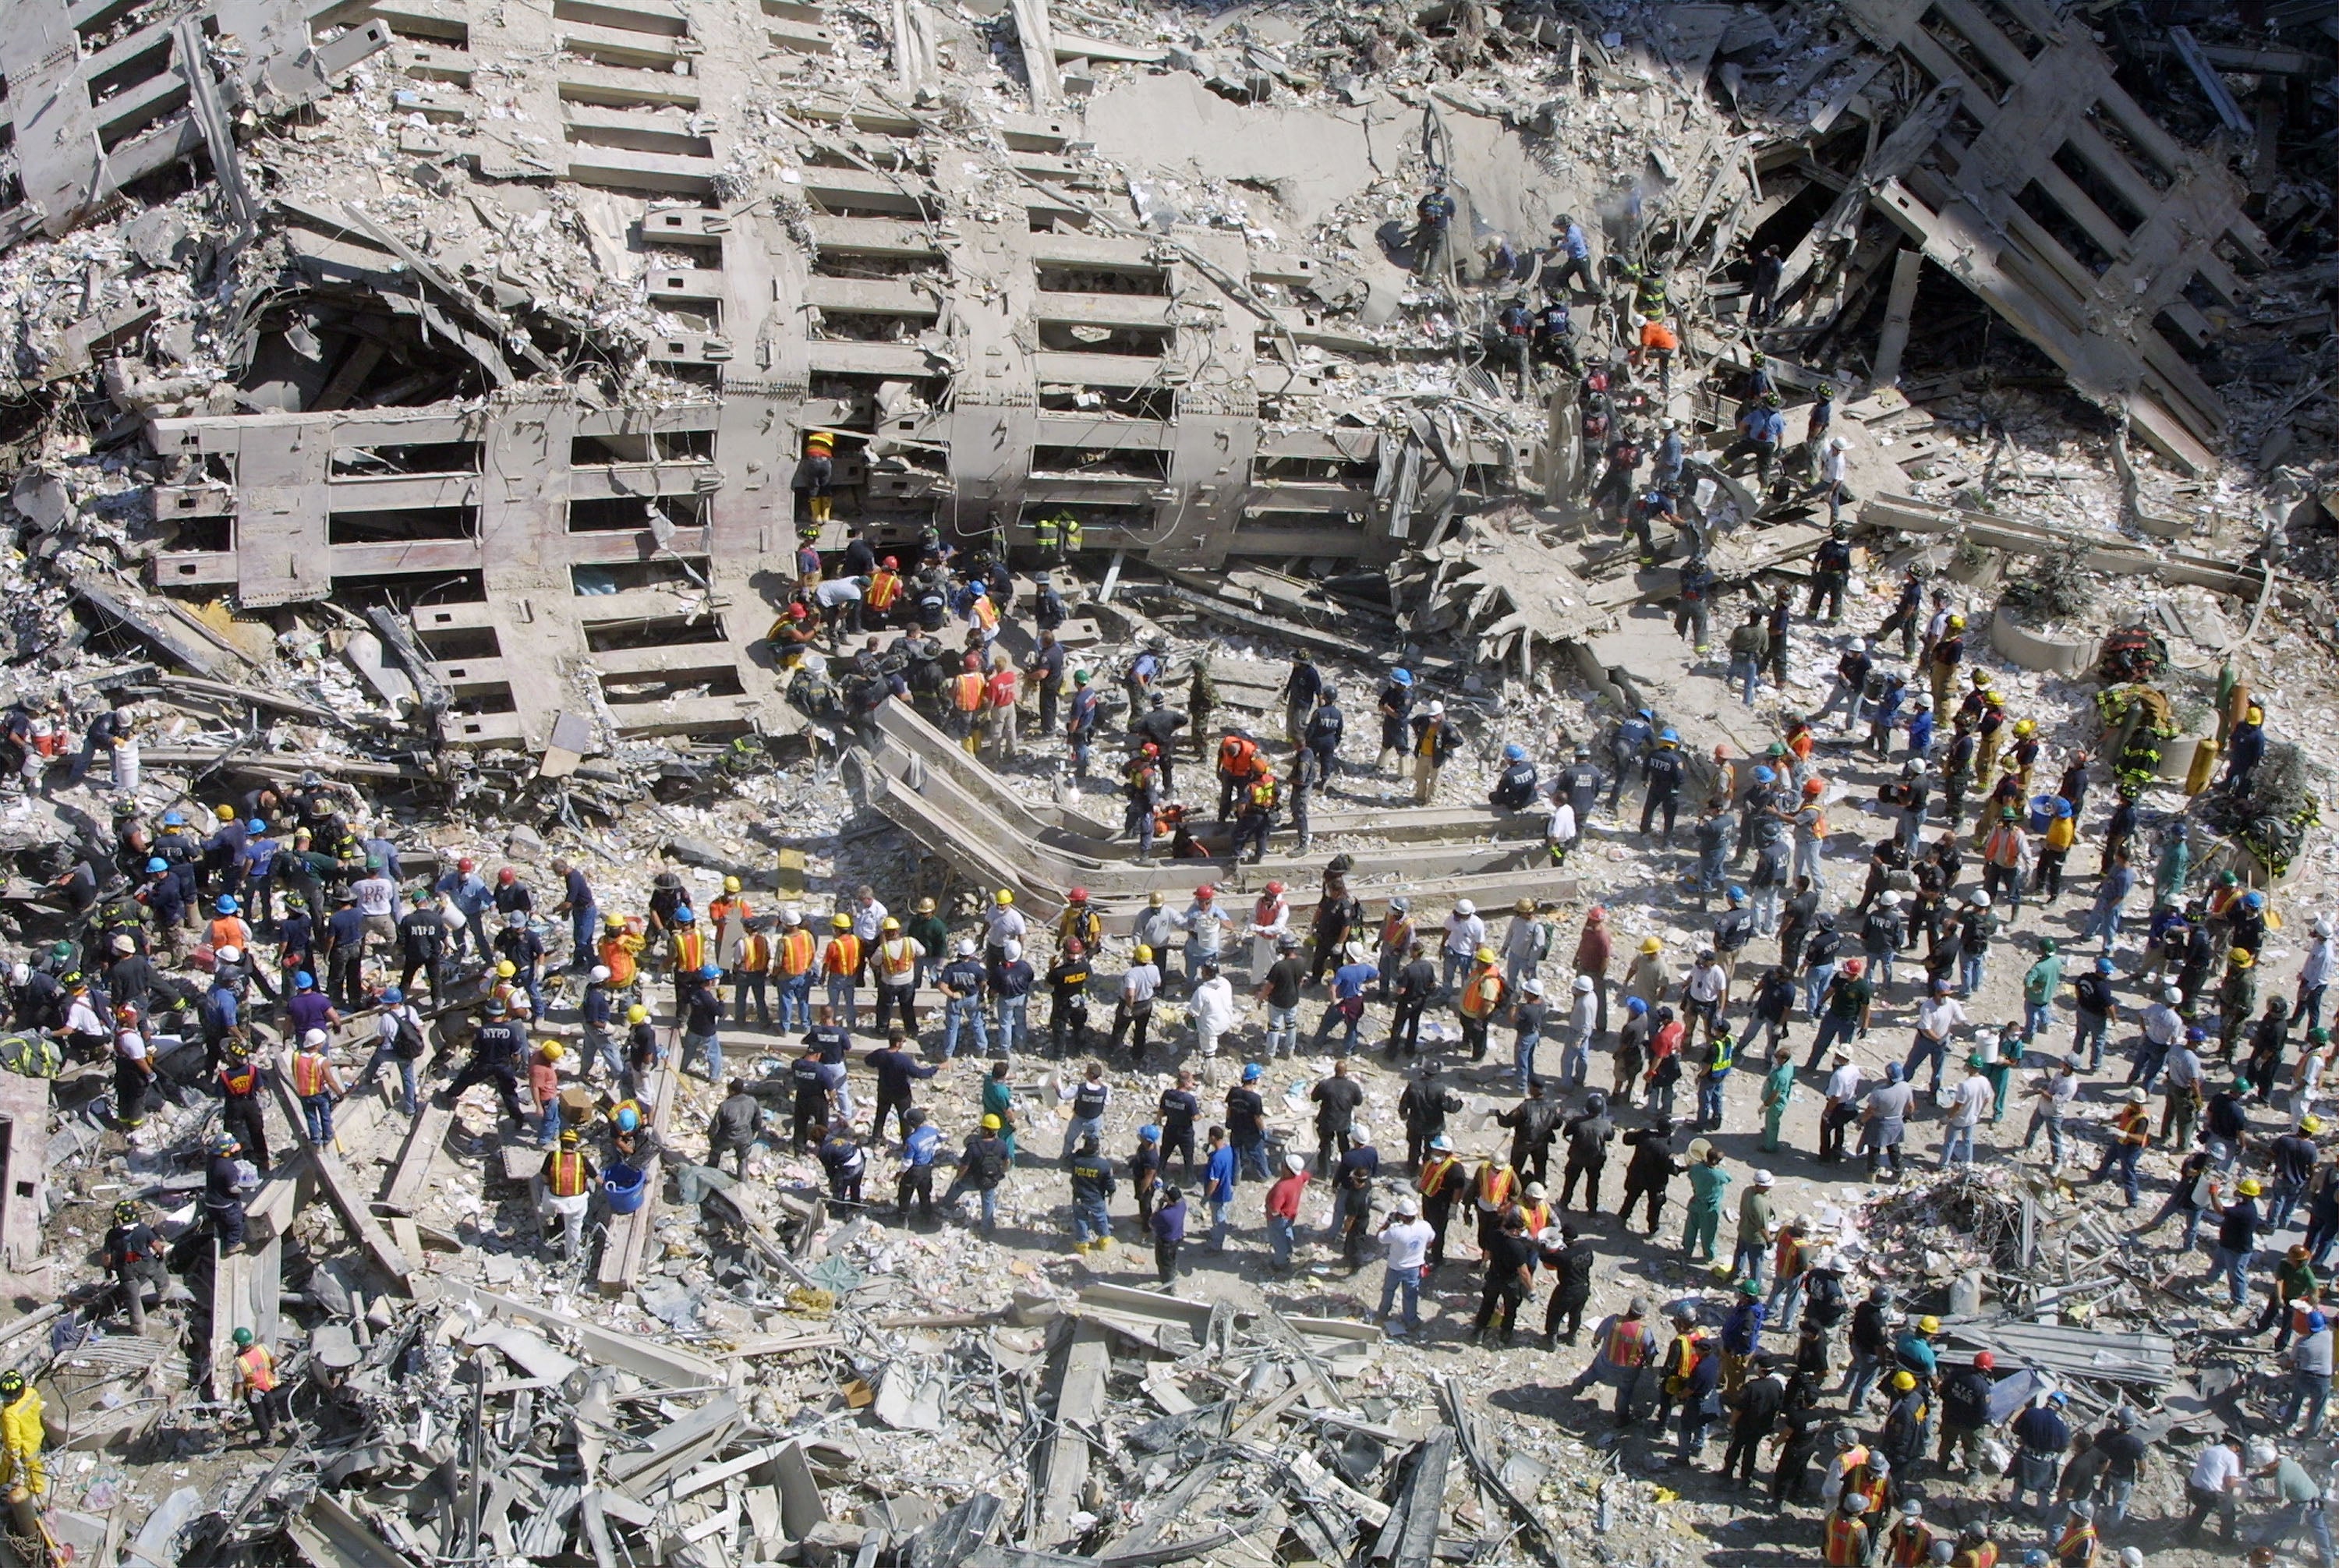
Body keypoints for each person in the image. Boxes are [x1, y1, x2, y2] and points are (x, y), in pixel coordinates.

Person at [1470, 1208, 1538, 1347]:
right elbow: (1524, 1272)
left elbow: (1488, 1252)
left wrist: (1484, 1263)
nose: (1520, 1233)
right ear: (1514, 1230)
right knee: (1510, 1308)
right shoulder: (1517, 1248)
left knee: (1487, 1304)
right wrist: (1531, 1289)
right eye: (1519, 1230)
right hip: (1510, 1282)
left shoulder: (1495, 1235)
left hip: (1494, 1276)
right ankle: (1506, 1332)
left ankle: (1479, 1330)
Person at [1374, 1195, 1435, 1337]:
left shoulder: (1396, 1231)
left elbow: (1380, 1237)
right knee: (1410, 1295)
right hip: (1414, 1268)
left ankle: (1383, 1313)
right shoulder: (1425, 1226)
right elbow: (1431, 1240)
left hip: (1395, 1267)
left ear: (1402, 1215)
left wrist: (1388, 1222)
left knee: (1389, 1291)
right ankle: (1411, 1321)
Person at [537, 1127, 596, 1259]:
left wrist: (553, 1183)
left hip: (555, 1199)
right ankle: (572, 1256)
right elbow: (597, 1178)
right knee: (574, 1229)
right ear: (575, 1145)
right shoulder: (582, 1159)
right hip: (576, 1202)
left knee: (546, 1192)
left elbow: (544, 1177)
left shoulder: (553, 1156)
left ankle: (548, 1216)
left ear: (561, 1143)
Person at [230, 1328, 288, 1445]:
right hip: (266, 1383)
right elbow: (275, 1360)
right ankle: (274, 1422)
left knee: (259, 1415)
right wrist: (274, 1370)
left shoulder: (240, 1363)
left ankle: (267, 1440)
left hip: (253, 1390)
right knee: (270, 1402)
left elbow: (239, 1384)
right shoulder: (262, 1348)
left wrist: (236, 1399)